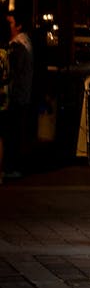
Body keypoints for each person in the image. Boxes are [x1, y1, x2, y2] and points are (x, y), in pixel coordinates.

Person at [0, 9, 35, 180]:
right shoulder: (24, 42)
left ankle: (10, 167)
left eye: (10, 23)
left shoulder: (17, 46)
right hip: (20, 96)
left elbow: (9, 72)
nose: (8, 27)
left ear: (19, 26)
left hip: (14, 98)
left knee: (10, 135)